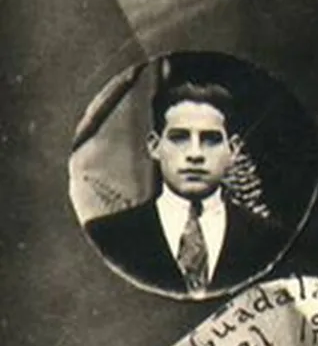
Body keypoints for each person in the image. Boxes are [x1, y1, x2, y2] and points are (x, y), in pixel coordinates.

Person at [84, 80, 289, 298]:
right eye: (179, 138)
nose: (195, 154)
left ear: (233, 149)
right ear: (154, 146)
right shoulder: (107, 237)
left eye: (210, 139)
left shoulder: (271, 241)